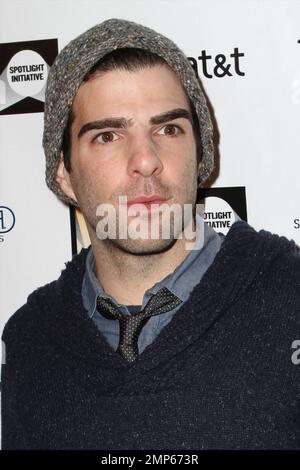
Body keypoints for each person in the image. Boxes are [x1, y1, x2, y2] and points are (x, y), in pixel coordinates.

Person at [1, 18, 300, 450]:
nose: (145, 160)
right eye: (108, 135)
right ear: (64, 173)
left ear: (202, 155)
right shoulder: (29, 340)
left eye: (168, 129)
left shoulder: (290, 299)